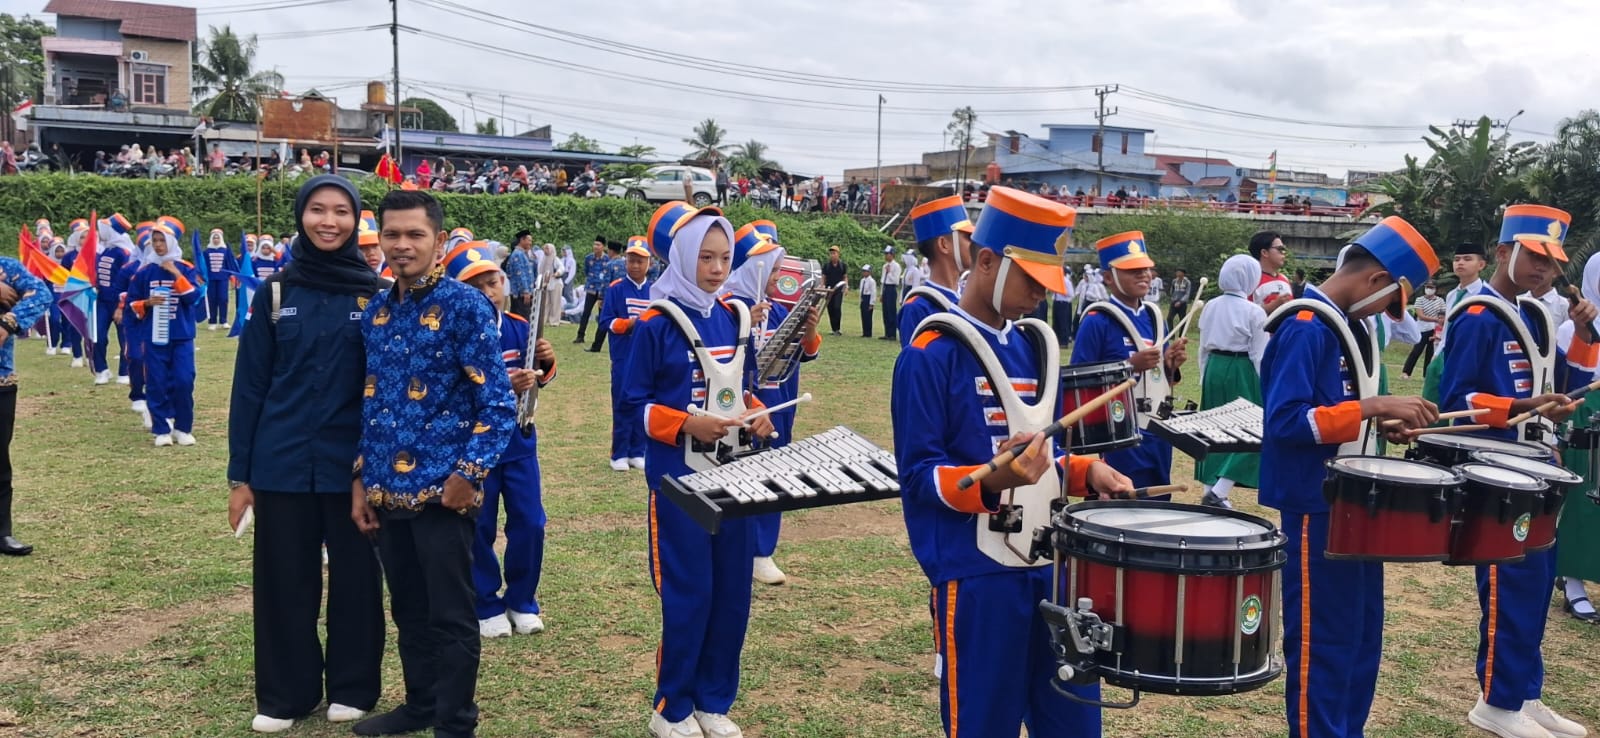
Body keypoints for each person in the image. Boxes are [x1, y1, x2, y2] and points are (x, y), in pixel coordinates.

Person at [893, 186, 1132, 736]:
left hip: (1051, 568)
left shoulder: (1029, 347)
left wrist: (1082, 470)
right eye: (1031, 281)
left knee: (1073, 718)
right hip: (977, 572)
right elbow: (919, 476)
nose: (1039, 298)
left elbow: (1039, 451)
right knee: (984, 720)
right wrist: (994, 479)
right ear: (985, 261)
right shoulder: (931, 353)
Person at [1260, 216, 1440, 738]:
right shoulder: (1303, 326)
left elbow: (1339, 411)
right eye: (1390, 301)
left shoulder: (1347, 324)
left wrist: (1380, 421)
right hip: (1316, 506)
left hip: (1356, 502)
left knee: (1361, 636)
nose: (1387, 312)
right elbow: (1286, 421)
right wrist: (1370, 405)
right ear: (1376, 283)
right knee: (1324, 639)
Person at [350, 190, 515, 738]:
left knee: (450, 616)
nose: (402, 245)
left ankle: (455, 723)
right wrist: (362, 482)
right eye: (392, 234)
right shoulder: (374, 312)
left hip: (444, 495)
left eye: (415, 234)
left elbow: (497, 403)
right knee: (409, 612)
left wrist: (469, 475)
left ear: (439, 241)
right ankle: (420, 706)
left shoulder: (466, 307)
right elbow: (370, 406)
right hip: (385, 494)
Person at [227, 174, 385, 734]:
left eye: (341, 212)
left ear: (355, 221)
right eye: (317, 210)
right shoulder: (274, 293)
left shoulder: (377, 296)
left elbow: (388, 389)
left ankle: (353, 686)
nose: (329, 222)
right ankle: (285, 693)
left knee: (357, 581)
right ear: (301, 216)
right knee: (283, 581)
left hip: (353, 469)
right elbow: (249, 387)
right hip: (282, 463)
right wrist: (240, 476)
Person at [619, 201, 776, 738]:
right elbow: (633, 404)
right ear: (682, 258)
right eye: (704, 257)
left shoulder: (734, 314)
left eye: (723, 257)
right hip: (679, 482)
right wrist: (687, 423)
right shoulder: (657, 323)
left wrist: (754, 412)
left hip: (735, 478)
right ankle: (672, 707)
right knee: (691, 595)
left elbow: (738, 387)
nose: (715, 267)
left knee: (733, 593)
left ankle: (713, 700)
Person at [1438, 204, 1594, 738]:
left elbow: (1565, 378)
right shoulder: (1477, 315)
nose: (1543, 271)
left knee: (1536, 584)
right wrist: (1524, 408)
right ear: (1504, 252)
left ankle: (1526, 694)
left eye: (1551, 263)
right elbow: (1453, 400)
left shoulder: (1532, 315)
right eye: (1533, 257)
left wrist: (1584, 332)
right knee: (1511, 582)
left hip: (1535, 463)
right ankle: (1498, 702)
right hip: (1496, 467)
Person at [440, 241, 557, 640]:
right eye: (477, 285)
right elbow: (448, 391)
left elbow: (538, 380)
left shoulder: (520, 328)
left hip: (520, 444)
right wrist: (504, 386)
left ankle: (522, 600)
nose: (490, 290)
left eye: (493, 281)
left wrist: (544, 363)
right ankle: (486, 602)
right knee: (480, 527)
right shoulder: (451, 335)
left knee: (530, 522)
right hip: (475, 448)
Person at [724, 222, 821, 586]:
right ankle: (737, 545)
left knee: (774, 474)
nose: (779, 277)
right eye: (773, 269)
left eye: (781, 269)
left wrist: (809, 329)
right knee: (739, 473)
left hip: (780, 402)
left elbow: (806, 354)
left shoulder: (780, 311)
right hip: (743, 405)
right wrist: (746, 322)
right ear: (752, 269)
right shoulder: (728, 310)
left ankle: (762, 551)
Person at [1072, 231, 1188, 490]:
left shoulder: (1154, 317)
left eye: (1146, 268)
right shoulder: (1097, 321)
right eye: (1132, 270)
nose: (1144, 275)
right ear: (1107, 278)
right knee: (1125, 499)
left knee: (1160, 499)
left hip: (1157, 428)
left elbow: (1159, 377)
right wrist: (1129, 366)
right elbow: (1079, 382)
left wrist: (1170, 365)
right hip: (1119, 430)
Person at [1194, 255, 1268, 510]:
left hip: (1214, 366)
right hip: (1241, 369)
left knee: (1213, 429)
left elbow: (1203, 347)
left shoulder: (1211, 305)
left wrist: (1205, 376)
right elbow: (1259, 355)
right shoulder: (1254, 311)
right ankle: (1220, 489)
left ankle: (1210, 491)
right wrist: (1267, 387)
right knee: (1253, 429)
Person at [127, 220, 201, 447]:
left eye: (162, 241)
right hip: (154, 337)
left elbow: (193, 298)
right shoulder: (144, 271)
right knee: (156, 382)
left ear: (171, 243)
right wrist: (147, 303)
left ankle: (183, 427)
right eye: (155, 241)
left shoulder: (186, 268)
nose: (158, 245)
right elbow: (131, 303)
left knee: (184, 380)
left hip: (182, 336)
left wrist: (176, 274)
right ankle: (161, 428)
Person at [1556, 252, 1600, 624]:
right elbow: (1566, 383)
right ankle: (1573, 581)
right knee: (1584, 501)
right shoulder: (1575, 327)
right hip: (1588, 417)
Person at [0, 248, 51, 555]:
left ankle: (2, 532)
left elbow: (42, 294)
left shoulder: (7, 267)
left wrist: (7, 323)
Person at [599, 237, 653, 471]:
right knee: (623, 403)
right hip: (623, 356)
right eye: (631, 260)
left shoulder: (656, 290)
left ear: (648, 263)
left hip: (648, 358)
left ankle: (637, 450)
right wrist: (629, 325)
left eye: (640, 261)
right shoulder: (616, 288)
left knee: (644, 404)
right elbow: (606, 322)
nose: (635, 265)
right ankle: (618, 453)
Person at [899, 196, 974, 348]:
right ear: (943, 244)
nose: (974, 244)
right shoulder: (917, 307)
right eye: (968, 237)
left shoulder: (970, 298)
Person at [92, 214, 135, 384]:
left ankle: (124, 371)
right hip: (102, 301)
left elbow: (127, 280)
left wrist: (121, 306)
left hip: (119, 302)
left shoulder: (124, 253)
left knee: (124, 338)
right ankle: (101, 369)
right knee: (98, 336)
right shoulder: (106, 249)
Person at [1402, 281, 1445, 379]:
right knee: (1417, 350)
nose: (1429, 289)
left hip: (1435, 329)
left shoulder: (1440, 301)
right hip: (1422, 328)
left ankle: (1426, 375)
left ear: (1435, 289)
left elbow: (1443, 314)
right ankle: (1406, 372)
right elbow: (1421, 315)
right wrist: (1436, 319)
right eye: (1427, 287)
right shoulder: (1419, 300)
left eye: (1431, 287)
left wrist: (1439, 321)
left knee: (1431, 353)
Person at [588, 241, 626, 353]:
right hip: (622, 296)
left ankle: (596, 346)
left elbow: (606, 283)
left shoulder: (609, 265)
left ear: (611, 251)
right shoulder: (625, 263)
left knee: (603, 320)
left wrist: (601, 298)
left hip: (610, 297)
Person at [573, 237, 610, 345]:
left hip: (602, 291)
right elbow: (587, 271)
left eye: (598, 245)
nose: (595, 247)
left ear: (603, 247)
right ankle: (580, 335)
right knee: (586, 312)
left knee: (601, 315)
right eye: (594, 244)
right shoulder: (589, 258)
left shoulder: (607, 259)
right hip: (591, 289)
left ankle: (598, 339)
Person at [201, 229, 238, 331]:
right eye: (214, 237)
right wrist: (202, 277)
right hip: (211, 279)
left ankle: (224, 321)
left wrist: (232, 277)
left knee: (223, 299)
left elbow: (230, 264)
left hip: (223, 279)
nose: (216, 239)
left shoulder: (225, 250)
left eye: (218, 237)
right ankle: (212, 322)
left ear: (221, 238)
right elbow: (204, 266)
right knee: (212, 299)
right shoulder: (206, 251)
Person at [1249, 231, 1294, 311]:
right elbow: (1246, 313)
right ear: (1264, 252)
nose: (1284, 253)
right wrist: (1272, 306)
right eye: (1280, 249)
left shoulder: (1284, 279)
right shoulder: (1251, 281)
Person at [506, 231, 537, 321]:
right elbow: (520, 274)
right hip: (520, 294)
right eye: (529, 240)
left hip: (522, 293)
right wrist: (525, 291)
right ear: (522, 240)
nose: (530, 243)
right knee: (522, 319)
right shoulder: (517, 254)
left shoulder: (522, 254)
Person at [821, 246, 847, 336]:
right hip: (829, 290)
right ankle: (833, 329)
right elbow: (823, 277)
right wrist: (823, 287)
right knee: (830, 309)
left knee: (837, 308)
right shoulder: (827, 266)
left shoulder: (842, 265)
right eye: (831, 253)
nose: (832, 255)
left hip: (838, 290)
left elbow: (845, 277)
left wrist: (845, 286)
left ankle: (838, 328)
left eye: (834, 253)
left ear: (838, 254)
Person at [879, 246, 902, 341]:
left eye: (887, 254)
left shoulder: (896, 266)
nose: (885, 256)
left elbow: (896, 281)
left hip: (892, 288)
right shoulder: (884, 266)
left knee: (891, 311)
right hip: (885, 288)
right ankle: (887, 332)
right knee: (885, 312)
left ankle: (892, 334)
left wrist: (890, 273)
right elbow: (882, 281)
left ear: (892, 255)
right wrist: (881, 293)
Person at [858, 264, 877, 338]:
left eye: (866, 271)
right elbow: (860, 291)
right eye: (863, 271)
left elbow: (873, 292)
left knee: (868, 316)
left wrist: (871, 303)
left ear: (869, 272)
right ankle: (864, 332)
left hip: (868, 298)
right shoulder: (862, 280)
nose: (864, 273)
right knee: (863, 315)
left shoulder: (872, 281)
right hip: (863, 298)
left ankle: (868, 333)